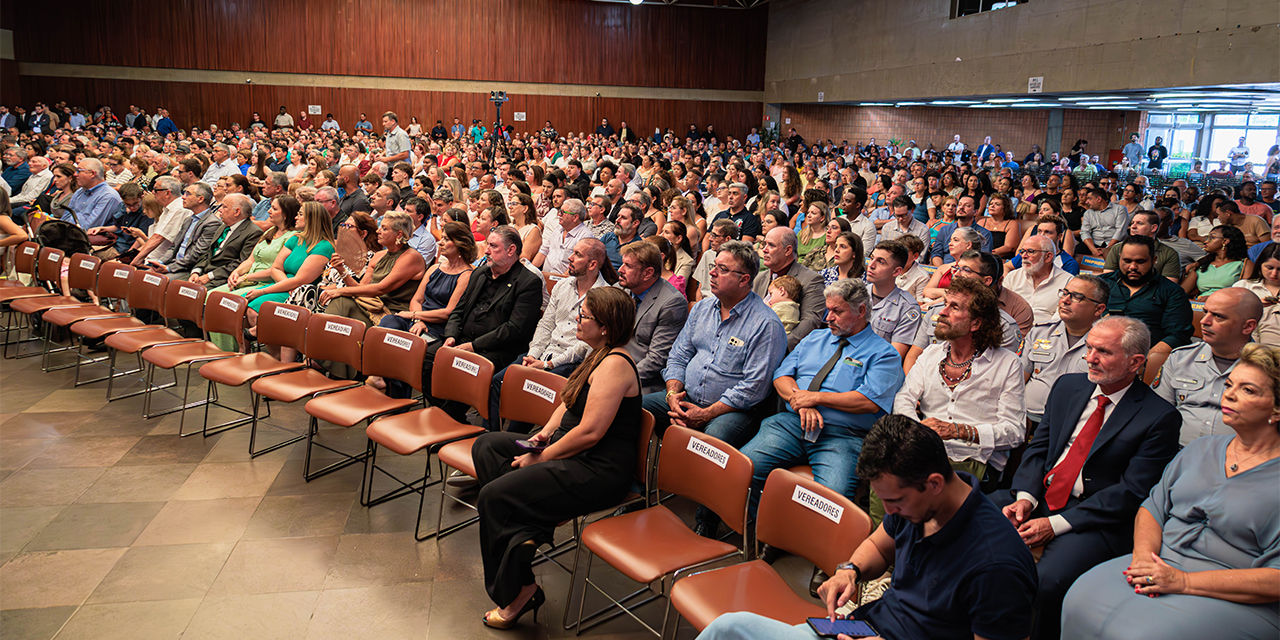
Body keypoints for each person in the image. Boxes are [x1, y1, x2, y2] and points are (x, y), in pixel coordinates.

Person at [697, 415, 1037, 640]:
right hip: (865, 628)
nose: (888, 511)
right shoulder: (916, 506)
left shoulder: (996, 566)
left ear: (933, 483)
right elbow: (877, 546)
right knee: (729, 628)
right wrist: (849, 571)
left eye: (895, 502)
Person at [1061, 343, 1280, 640]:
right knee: (1079, 600)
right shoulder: (1201, 448)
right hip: (1159, 563)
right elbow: (1153, 508)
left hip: (1235, 590)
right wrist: (1141, 557)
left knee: (1142, 634)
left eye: (1248, 390)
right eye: (1229, 384)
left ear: (1277, 409)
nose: (1228, 394)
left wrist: (1184, 582)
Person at [1001, 316, 1182, 640]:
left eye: (1103, 352)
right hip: (1040, 497)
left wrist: (1054, 525)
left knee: (1047, 581)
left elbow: (1131, 492)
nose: (1090, 358)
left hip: (1095, 518)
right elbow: (1039, 449)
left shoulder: (1159, 417)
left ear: (1135, 362)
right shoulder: (1068, 386)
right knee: (969, 517)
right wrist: (1024, 499)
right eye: (1088, 348)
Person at [472, 287, 641, 630]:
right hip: (571, 449)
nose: (578, 319)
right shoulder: (598, 353)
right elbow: (568, 400)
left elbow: (591, 432)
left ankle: (520, 590)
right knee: (488, 446)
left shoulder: (616, 365)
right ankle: (524, 529)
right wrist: (544, 434)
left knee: (492, 496)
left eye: (586, 316)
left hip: (598, 468)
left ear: (605, 326)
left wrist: (543, 457)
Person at [742, 277, 904, 593]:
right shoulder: (815, 338)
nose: (828, 317)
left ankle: (825, 561)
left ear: (861, 311)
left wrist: (815, 399)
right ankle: (770, 535)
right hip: (792, 424)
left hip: (842, 436)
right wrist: (799, 401)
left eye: (837, 312)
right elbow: (782, 376)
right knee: (745, 467)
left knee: (834, 497)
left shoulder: (883, 353)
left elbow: (868, 400)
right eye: (827, 310)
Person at [641, 240, 787, 537]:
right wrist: (672, 393)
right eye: (714, 266)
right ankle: (636, 490)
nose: (713, 273)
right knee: (633, 408)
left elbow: (754, 388)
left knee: (715, 439)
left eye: (722, 269)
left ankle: (707, 518)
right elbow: (679, 355)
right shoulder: (703, 309)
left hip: (735, 410)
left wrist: (706, 414)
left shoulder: (766, 324)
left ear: (744, 280)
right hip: (685, 396)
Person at [887, 277, 1025, 526]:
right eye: (945, 304)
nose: (942, 312)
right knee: (887, 474)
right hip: (927, 449)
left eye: (954, 307)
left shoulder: (1007, 363)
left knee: (913, 488)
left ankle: (906, 555)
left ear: (976, 323)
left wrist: (959, 431)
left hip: (974, 460)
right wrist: (918, 430)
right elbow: (904, 398)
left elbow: (1015, 432)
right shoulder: (932, 353)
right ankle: (891, 554)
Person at [391, 226, 541, 415]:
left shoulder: (528, 282)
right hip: (462, 340)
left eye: (493, 246)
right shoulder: (480, 273)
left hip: (495, 349)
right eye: (487, 244)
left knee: (464, 370)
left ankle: (447, 418)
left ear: (511, 250)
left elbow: (514, 329)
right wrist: (451, 335)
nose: (486, 250)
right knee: (422, 358)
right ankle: (450, 417)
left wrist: (473, 346)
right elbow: (458, 311)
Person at [484, 238, 612, 431]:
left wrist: (548, 365)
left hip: (572, 362)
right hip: (545, 353)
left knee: (532, 388)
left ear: (593, 264)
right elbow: (546, 324)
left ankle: (512, 444)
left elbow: (588, 344)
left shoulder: (605, 294)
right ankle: (489, 438)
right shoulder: (563, 286)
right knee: (498, 381)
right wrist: (533, 355)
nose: (570, 258)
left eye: (577, 255)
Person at [1154, 287, 1263, 446]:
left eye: (1218, 316)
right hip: (1176, 455)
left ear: (1247, 327)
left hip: (1240, 462)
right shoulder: (1180, 358)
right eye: (1205, 312)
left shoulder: (1268, 368)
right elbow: (1157, 413)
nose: (1204, 321)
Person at [243, 201, 336, 349]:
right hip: (285, 285)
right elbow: (276, 268)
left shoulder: (323, 246)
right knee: (241, 303)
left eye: (300, 214)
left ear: (312, 219)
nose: (295, 218)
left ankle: (276, 358)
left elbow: (301, 280)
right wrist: (285, 284)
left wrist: (262, 291)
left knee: (255, 310)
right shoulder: (296, 239)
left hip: (302, 293)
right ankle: (248, 353)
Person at [1022, 275, 1109, 424]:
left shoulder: (1107, 344)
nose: (1065, 300)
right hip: (1027, 417)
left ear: (1098, 309)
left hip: (1074, 424)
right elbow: (1018, 379)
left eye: (1077, 297)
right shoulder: (1040, 332)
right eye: (1064, 293)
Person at [1099, 235, 1194, 356]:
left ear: (1154, 260)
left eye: (1140, 261)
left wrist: (1144, 363)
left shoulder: (1172, 292)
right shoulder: (1100, 284)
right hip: (1097, 350)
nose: (1132, 267)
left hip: (1145, 356)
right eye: (1127, 261)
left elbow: (1177, 335)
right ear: (1119, 258)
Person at [618, 241, 689, 394]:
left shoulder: (672, 303)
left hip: (641, 381)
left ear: (648, 273)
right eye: (622, 263)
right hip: (613, 365)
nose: (620, 270)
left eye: (628, 266)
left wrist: (619, 379)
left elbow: (656, 360)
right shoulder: (621, 289)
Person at [752, 227, 825, 349]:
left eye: (771, 245)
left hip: (784, 349)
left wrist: (778, 348)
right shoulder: (759, 278)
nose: (764, 250)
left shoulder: (811, 280)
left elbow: (809, 323)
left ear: (788, 250)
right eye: (764, 244)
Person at [187, 193, 263, 289]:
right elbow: (208, 252)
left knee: (192, 293)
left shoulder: (253, 232)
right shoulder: (222, 226)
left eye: (224, 207)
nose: (219, 210)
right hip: (203, 273)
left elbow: (240, 263)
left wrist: (209, 276)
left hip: (222, 279)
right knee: (177, 286)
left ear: (237, 212)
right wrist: (196, 271)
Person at [147, 182, 221, 280]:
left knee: (156, 281)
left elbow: (197, 255)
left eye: (188, 194)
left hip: (189, 269)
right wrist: (159, 262)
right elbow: (174, 247)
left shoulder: (212, 223)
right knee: (142, 276)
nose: (183, 197)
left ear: (200, 199)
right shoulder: (188, 220)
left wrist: (168, 268)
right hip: (174, 263)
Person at [864, 240, 921, 359]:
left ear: (896, 271)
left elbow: (893, 356)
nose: (871, 265)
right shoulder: (856, 294)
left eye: (880, 262)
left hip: (876, 366)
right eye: (872, 258)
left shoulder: (907, 308)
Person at [1005, 235, 1074, 324]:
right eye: (1022, 251)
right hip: (1012, 331)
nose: (1024, 256)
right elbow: (1002, 310)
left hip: (1045, 334)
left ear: (1048, 257)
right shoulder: (1013, 276)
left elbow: (1060, 320)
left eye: (1030, 252)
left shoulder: (1068, 282)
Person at [1102, 210, 1181, 280]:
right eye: (1132, 223)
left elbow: (1168, 288)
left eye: (1139, 223)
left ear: (1153, 228)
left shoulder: (1170, 254)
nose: (1133, 227)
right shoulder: (1117, 248)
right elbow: (1107, 279)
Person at [1180, 226, 1248, 299]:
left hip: (1229, 304)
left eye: (1212, 238)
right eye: (1207, 238)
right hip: (1200, 305)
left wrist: (1213, 298)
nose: (1206, 241)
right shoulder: (1203, 264)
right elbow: (1181, 292)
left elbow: (1245, 294)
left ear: (1225, 241)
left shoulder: (1243, 264)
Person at [1234, 243, 1280, 345]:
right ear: (1260, 265)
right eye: (1269, 268)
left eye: (1279, 269)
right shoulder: (1243, 286)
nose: (1274, 274)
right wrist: (1252, 305)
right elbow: (1224, 312)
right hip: (1246, 347)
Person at [535, 198, 593, 275]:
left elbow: (579, 265)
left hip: (565, 280)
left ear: (575, 217)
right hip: (545, 276)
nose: (559, 214)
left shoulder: (585, 236)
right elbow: (543, 251)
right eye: (559, 211)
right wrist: (531, 271)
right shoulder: (559, 229)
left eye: (562, 212)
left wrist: (560, 282)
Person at [930, 194, 994, 264]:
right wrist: (942, 270)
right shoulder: (944, 230)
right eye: (959, 205)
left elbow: (983, 260)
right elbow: (936, 254)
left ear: (975, 212)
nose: (961, 208)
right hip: (944, 269)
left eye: (967, 206)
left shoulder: (984, 234)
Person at [1079, 188, 1128, 258]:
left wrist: (1107, 248)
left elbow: (1120, 231)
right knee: (1078, 250)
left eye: (1089, 199)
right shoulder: (1088, 213)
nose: (1087, 202)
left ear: (1099, 199)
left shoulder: (1120, 209)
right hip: (1095, 243)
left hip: (1115, 243)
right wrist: (1093, 250)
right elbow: (1084, 232)